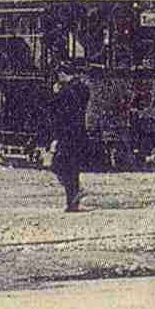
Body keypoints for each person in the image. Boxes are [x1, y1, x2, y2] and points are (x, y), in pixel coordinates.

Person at [38, 62, 91, 212]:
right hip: (78, 132)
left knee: (60, 165)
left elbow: (54, 109)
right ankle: (73, 201)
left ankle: (75, 195)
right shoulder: (82, 88)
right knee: (71, 167)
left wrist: (55, 93)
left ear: (62, 74)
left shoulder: (66, 91)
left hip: (66, 133)